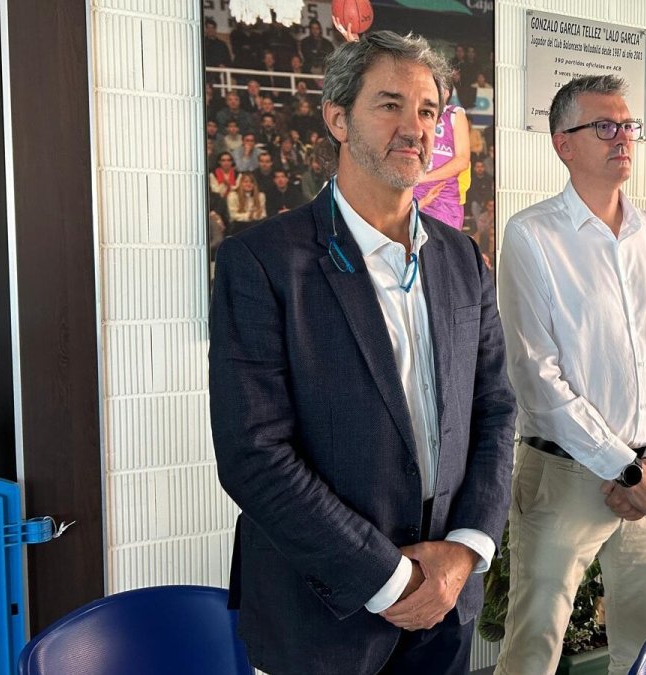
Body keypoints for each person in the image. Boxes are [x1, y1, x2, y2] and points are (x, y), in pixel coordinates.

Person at [210, 30, 515, 675]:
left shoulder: (462, 258)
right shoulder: (262, 262)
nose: (415, 128)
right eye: (389, 105)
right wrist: (390, 576)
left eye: (429, 110)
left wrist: (464, 551)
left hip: (446, 606)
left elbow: (494, 411)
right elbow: (254, 455)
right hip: (326, 612)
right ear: (336, 118)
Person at [493, 75, 646, 675]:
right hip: (565, 472)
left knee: (643, 644)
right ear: (563, 144)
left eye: (629, 126)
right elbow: (536, 376)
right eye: (605, 127)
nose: (623, 139)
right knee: (534, 640)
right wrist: (624, 468)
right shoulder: (532, 235)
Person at [414, 105, 469, 229]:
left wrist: (423, 178)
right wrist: (422, 202)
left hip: (445, 206)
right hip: (417, 203)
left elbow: (463, 162)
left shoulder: (454, 115)